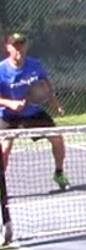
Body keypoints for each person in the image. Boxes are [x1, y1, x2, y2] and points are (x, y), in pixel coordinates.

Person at [0, 33, 70, 191]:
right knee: (4, 149)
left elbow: (45, 87)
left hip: (34, 114)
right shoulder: (1, 70)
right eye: (15, 46)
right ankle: (1, 182)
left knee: (57, 139)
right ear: (8, 48)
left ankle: (59, 173)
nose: (19, 49)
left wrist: (56, 104)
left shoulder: (35, 65)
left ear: (26, 47)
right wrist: (10, 103)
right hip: (9, 116)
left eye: (21, 45)